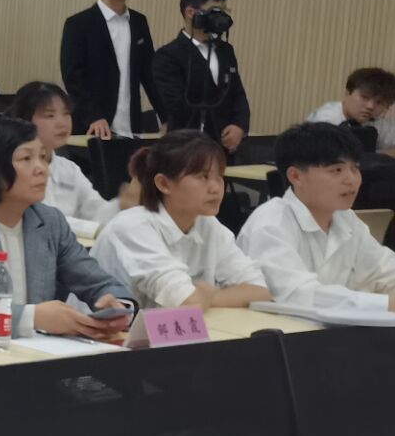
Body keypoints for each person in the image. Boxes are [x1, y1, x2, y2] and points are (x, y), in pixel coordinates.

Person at [0, 118, 134, 338]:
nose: (41, 169)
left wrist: (117, 305)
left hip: (43, 351)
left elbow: (99, 282)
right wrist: (31, 317)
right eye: (26, 158)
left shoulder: (50, 221)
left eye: (43, 157)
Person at [92, 131, 269, 311]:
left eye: (219, 177)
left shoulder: (207, 224)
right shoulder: (132, 227)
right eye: (203, 177)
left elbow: (260, 291)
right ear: (164, 184)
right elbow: (185, 302)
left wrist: (208, 296)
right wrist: (203, 297)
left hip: (174, 327)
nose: (216, 188)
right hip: (106, 328)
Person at [239, 123, 395, 312]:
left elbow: (387, 270)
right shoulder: (270, 224)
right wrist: (385, 304)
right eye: (336, 170)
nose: (351, 179)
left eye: (355, 169)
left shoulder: (346, 218)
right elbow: (298, 295)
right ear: (296, 176)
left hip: (333, 328)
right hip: (276, 328)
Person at [9, 81, 131, 240]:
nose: (62, 122)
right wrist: (94, 229)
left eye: (66, 113)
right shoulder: (13, 167)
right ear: (25, 120)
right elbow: (43, 220)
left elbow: (95, 210)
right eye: (50, 115)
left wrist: (121, 205)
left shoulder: (69, 168)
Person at [60, 0, 159, 139]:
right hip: (92, 125)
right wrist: (93, 116)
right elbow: (73, 76)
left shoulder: (139, 22)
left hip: (131, 123)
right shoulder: (79, 23)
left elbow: (149, 73)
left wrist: (165, 116)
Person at [151, 0, 249, 155]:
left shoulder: (225, 50)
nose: (220, 17)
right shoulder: (167, 55)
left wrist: (239, 126)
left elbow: (237, 93)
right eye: (215, 11)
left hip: (224, 147)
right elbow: (175, 104)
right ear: (191, 12)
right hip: (185, 147)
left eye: (224, 11)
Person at [308, 66, 395, 155]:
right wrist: (384, 154)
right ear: (347, 93)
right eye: (365, 97)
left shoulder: (376, 122)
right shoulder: (326, 119)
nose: (370, 106)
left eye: (379, 102)